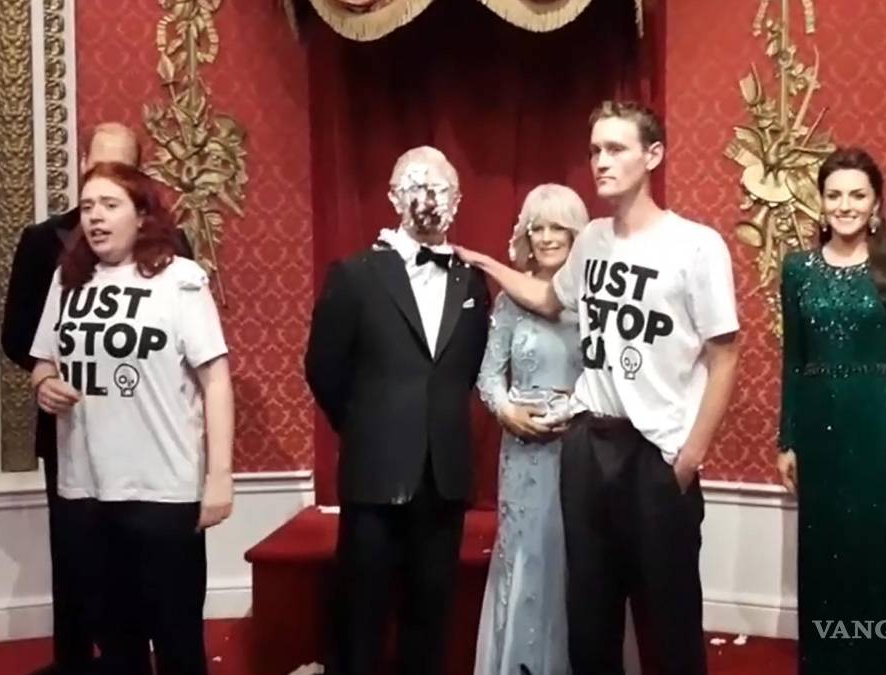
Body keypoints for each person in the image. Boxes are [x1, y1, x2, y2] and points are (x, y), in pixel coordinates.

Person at [455, 101, 740, 675]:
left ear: (652, 155)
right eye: (594, 151)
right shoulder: (590, 241)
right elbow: (546, 298)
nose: (601, 162)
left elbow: (725, 354)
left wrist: (689, 456)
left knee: (669, 624)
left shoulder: (696, 245)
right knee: (590, 618)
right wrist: (487, 264)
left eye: (615, 149)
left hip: (656, 452)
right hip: (587, 444)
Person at [1, 121, 191, 675]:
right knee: (77, 566)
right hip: (71, 431)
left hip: (148, 440)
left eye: (119, 171)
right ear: (82, 164)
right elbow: (21, 335)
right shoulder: (43, 242)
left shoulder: (174, 248)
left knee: (150, 574)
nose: (102, 190)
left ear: (138, 178)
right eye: (96, 167)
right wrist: (46, 379)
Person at [28, 161, 233, 675]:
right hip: (86, 490)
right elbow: (43, 360)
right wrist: (43, 384)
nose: (95, 217)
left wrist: (219, 477)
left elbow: (216, 380)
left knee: (177, 642)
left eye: (110, 205)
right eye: (87, 207)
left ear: (141, 216)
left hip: (163, 491)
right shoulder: (67, 280)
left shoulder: (180, 279)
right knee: (116, 645)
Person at [304, 146, 491, 675]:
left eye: (440, 188)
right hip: (374, 476)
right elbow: (323, 368)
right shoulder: (354, 275)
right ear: (392, 196)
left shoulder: (473, 281)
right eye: (415, 185)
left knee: (429, 620)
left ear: (458, 200)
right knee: (360, 620)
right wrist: (368, 429)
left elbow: (467, 371)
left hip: (445, 478)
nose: (428, 198)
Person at [775, 147, 886, 674]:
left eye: (857, 195)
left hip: (876, 427)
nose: (845, 205)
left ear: (876, 202)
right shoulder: (798, 270)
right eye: (834, 195)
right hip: (817, 433)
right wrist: (787, 439)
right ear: (820, 200)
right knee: (825, 558)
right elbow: (793, 361)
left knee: (878, 555)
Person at [472, 184, 588, 675]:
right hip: (520, 452)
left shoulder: (592, 297)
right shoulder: (509, 301)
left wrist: (572, 412)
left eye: (557, 226)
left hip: (578, 448)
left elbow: (606, 377)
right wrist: (506, 412)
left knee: (575, 556)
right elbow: (487, 376)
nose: (546, 237)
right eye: (537, 227)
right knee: (523, 552)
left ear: (576, 234)